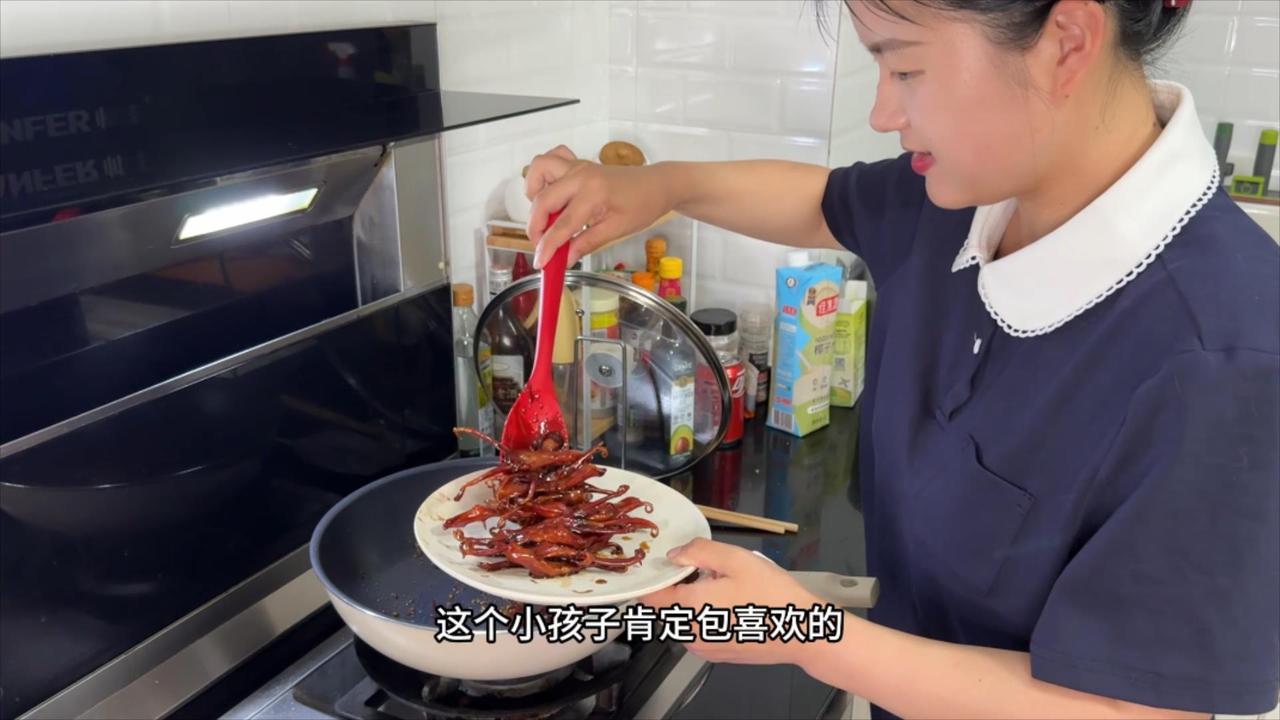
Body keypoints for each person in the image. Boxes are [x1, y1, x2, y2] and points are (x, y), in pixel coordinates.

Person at [522, 0, 1280, 717]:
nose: (882, 113)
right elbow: (824, 202)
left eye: (907, 68)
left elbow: (1134, 707)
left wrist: (806, 634)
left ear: (1067, 42)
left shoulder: (1224, 355)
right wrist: (659, 186)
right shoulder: (975, 191)